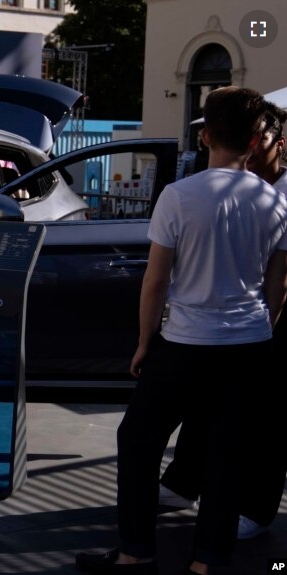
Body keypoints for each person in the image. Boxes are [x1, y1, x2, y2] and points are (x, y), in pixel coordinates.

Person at [75, 87, 287, 575]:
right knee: (226, 454)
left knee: (138, 439)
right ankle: (207, 563)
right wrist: (259, 333)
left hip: (186, 343)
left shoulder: (179, 197)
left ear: (206, 135)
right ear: (255, 142)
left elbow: (155, 282)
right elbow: (278, 289)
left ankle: (135, 552)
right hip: (250, 344)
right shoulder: (276, 204)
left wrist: (146, 340)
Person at [157, 102, 287, 541]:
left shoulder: (277, 194)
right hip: (232, 326)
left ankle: (257, 508)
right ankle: (182, 483)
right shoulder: (232, 188)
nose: (254, 147)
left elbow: (279, 277)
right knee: (206, 405)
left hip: (263, 323)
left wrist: (267, 325)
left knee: (267, 421)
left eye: (264, 139)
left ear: (276, 145)